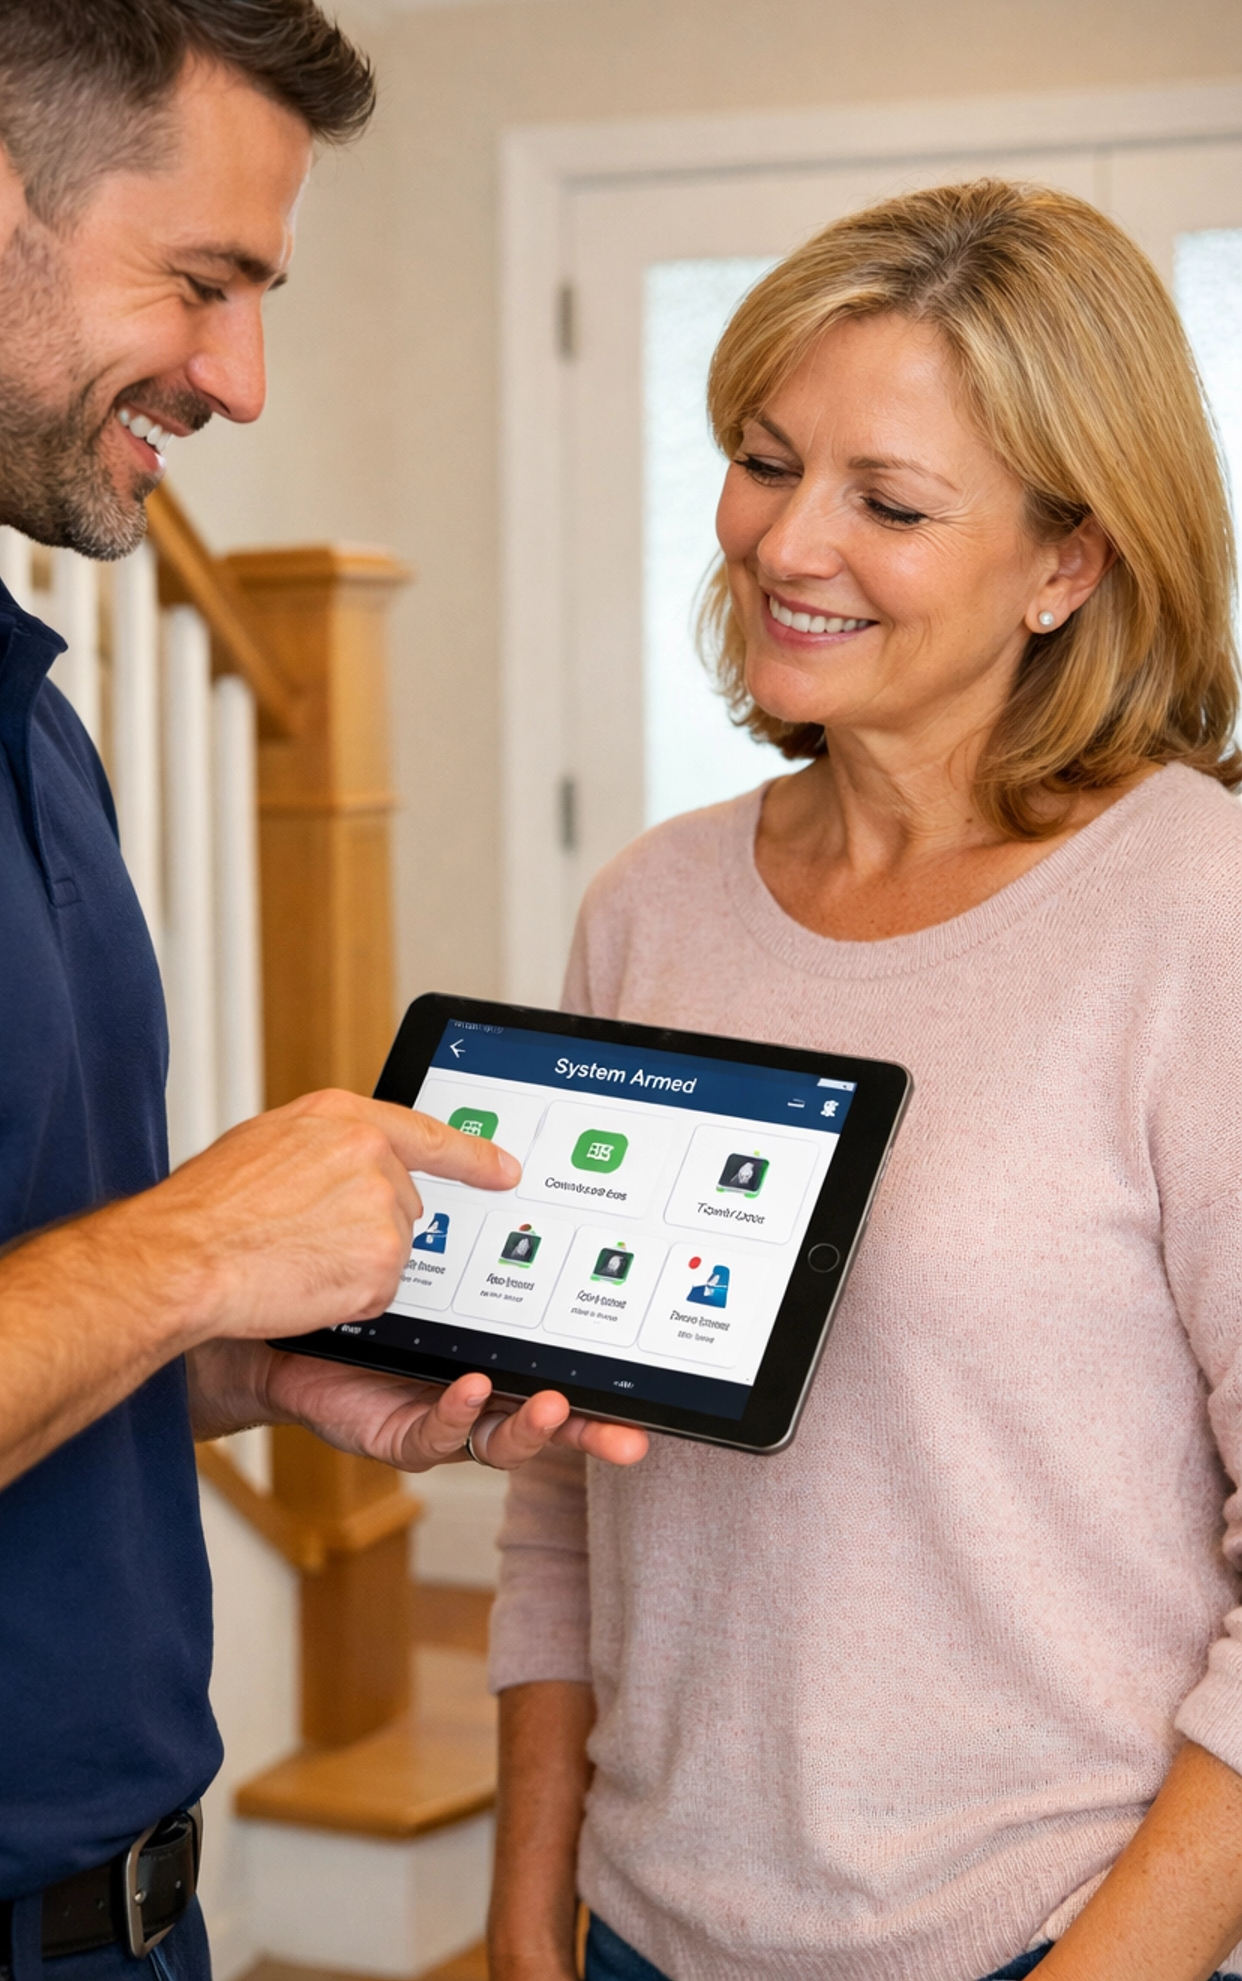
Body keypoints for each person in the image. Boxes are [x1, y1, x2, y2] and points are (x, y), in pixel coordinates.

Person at [0, 0, 641, 1969]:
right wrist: (195, 1243)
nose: (240, 380)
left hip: (111, 1916)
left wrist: (234, 1349)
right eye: (201, 280)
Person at [487, 179, 1242, 1981]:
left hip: (1046, 1937)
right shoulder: (652, 907)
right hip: (644, 1933)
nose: (783, 544)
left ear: (1071, 565)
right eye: (765, 461)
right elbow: (565, 1470)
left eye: (890, 504)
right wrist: (530, 1904)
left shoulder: (1194, 910)